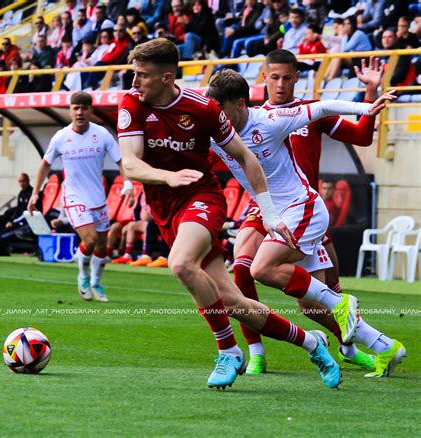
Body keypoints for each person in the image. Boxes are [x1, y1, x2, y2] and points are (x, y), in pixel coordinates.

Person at [117, 38, 342, 390]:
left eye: (142, 75)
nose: (134, 82)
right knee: (232, 301)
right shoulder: (132, 103)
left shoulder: (203, 109)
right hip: (164, 206)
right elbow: (130, 163)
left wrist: (268, 213)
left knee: (180, 264)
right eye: (134, 74)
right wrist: (166, 177)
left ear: (166, 77)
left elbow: (247, 157)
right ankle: (312, 343)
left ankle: (229, 351)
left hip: (200, 198)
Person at [206, 56, 406, 379]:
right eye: (274, 78)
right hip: (267, 209)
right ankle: (257, 351)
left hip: (304, 207)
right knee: (244, 266)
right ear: (264, 78)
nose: (281, 84)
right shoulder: (223, 129)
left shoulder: (282, 118)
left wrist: (367, 103)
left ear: (297, 77)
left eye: (287, 78)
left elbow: (346, 123)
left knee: (305, 296)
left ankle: (350, 341)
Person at [28, 92, 134, 303]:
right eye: (76, 108)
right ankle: (83, 277)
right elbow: (45, 164)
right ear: (70, 110)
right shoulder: (61, 137)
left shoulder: (102, 134)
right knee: (90, 239)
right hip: (74, 198)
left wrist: (129, 183)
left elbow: (121, 160)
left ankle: (95, 282)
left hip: (98, 198)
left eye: (84, 108)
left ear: (90, 111)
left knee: (102, 246)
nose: (79, 112)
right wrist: (35, 193)